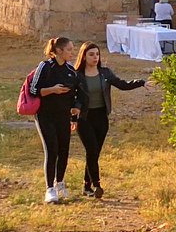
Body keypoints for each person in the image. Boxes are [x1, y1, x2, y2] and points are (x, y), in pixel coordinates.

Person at [71, 43, 145, 200]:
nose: (95, 57)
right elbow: (73, 98)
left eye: (97, 54)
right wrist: (73, 116)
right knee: (91, 150)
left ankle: (86, 185)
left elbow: (122, 85)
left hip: (101, 117)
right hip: (84, 118)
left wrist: (142, 82)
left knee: (94, 153)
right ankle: (97, 185)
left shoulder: (105, 73)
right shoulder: (77, 75)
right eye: (91, 54)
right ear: (83, 56)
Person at [30, 36, 80, 203]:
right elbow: (34, 89)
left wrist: (74, 117)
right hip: (45, 115)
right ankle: (49, 189)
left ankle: (60, 183)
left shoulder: (71, 70)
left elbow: (75, 95)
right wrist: (52, 90)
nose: (72, 53)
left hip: (63, 116)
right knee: (52, 149)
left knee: (64, 150)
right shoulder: (45, 67)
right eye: (69, 50)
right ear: (59, 51)